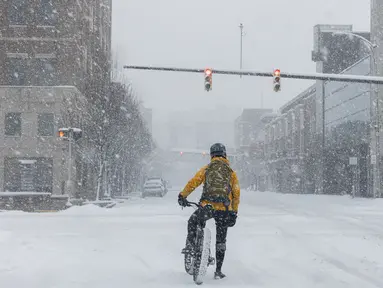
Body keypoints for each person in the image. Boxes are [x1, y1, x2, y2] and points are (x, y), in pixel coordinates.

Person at [178, 143, 240, 279]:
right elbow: (236, 193)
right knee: (221, 241)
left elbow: (193, 182)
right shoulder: (230, 172)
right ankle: (218, 271)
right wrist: (234, 212)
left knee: (193, 221)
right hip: (224, 209)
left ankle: (192, 246)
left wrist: (183, 195)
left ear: (212, 155)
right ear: (225, 155)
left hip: (208, 207)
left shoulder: (207, 169)